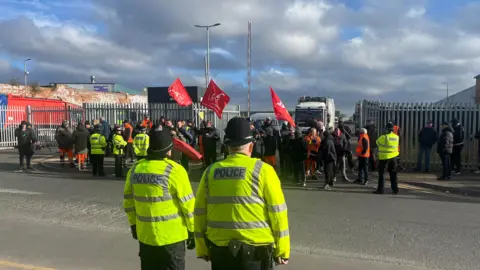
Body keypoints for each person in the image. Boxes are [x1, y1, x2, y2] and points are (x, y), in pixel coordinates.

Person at [194, 117, 290, 270]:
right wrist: (282, 249)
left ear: (227, 146)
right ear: (251, 146)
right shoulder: (264, 171)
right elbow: (278, 213)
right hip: (257, 252)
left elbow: (199, 212)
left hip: (220, 251)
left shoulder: (210, 172)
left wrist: (202, 248)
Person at [123, 129, 195, 270]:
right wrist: (193, 231)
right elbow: (188, 205)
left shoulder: (135, 169)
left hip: (146, 237)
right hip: (172, 238)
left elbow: (128, 203)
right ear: (169, 150)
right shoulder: (175, 171)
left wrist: (134, 226)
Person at [373, 122, 399, 195]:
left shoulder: (383, 137)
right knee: (393, 175)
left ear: (387, 129)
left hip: (384, 158)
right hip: (394, 158)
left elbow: (377, 142)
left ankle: (380, 190)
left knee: (382, 175)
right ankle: (395, 189)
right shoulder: (396, 137)